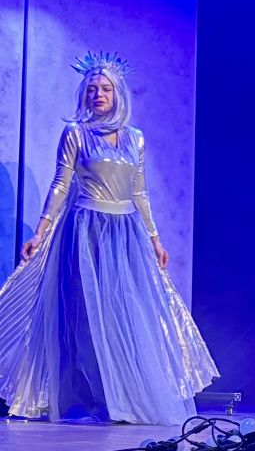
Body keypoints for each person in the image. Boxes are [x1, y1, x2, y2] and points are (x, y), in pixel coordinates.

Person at [0, 51, 218, 425]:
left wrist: (155, 239)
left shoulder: (135, 139)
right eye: (92, 89)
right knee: (86, 316)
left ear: (118, 94)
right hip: (85, 229)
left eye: (104, 89)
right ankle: (90, 397)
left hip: (126, 233)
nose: (98, 95)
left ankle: (125, 397)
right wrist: (40, 231)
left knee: (128, 312)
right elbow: (60, 184)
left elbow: (139, 191)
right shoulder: (76, 133)